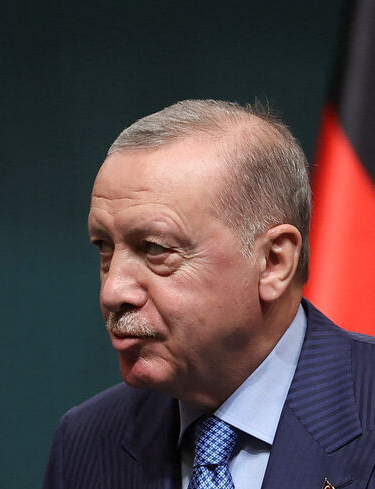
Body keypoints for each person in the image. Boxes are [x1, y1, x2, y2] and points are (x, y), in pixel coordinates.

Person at [42, 99, 375, 488]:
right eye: (104, 248)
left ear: (273, 262)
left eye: (154, 249)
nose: (113, 291)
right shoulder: (85, 442)